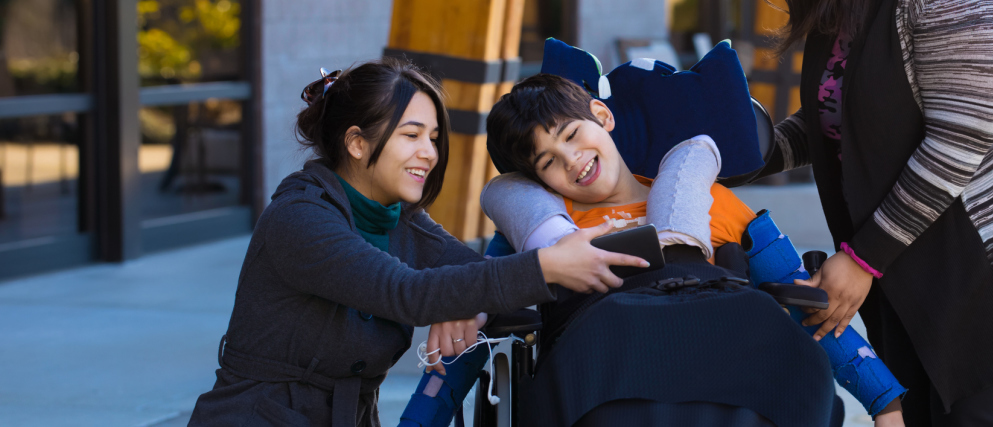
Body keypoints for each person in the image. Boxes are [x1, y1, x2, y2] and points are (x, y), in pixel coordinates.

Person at [186, 59, 649, 427]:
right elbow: (406, 293)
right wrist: (546, 265)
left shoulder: (402, 220)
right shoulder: (300, 218)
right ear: (356, 143)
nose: (429, 152)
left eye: (433, 137)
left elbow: (484, 285)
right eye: (411, 136)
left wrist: (467, 304)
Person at [760, 0, 993, 425]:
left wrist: (863, 258)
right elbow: (847, 108)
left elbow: (961, 135)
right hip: (937, 226)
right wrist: (755, 151)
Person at [450, 73, 905, 425]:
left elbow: (802, 296)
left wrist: (885, 403)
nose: (571, 160)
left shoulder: (710, 200)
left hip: (733, 355)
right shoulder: (543, 227)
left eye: (570, 135)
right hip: (609, 362)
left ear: (603, 117)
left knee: (789, 355)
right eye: (548, 161)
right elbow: (461, 333)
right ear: (537, 180)